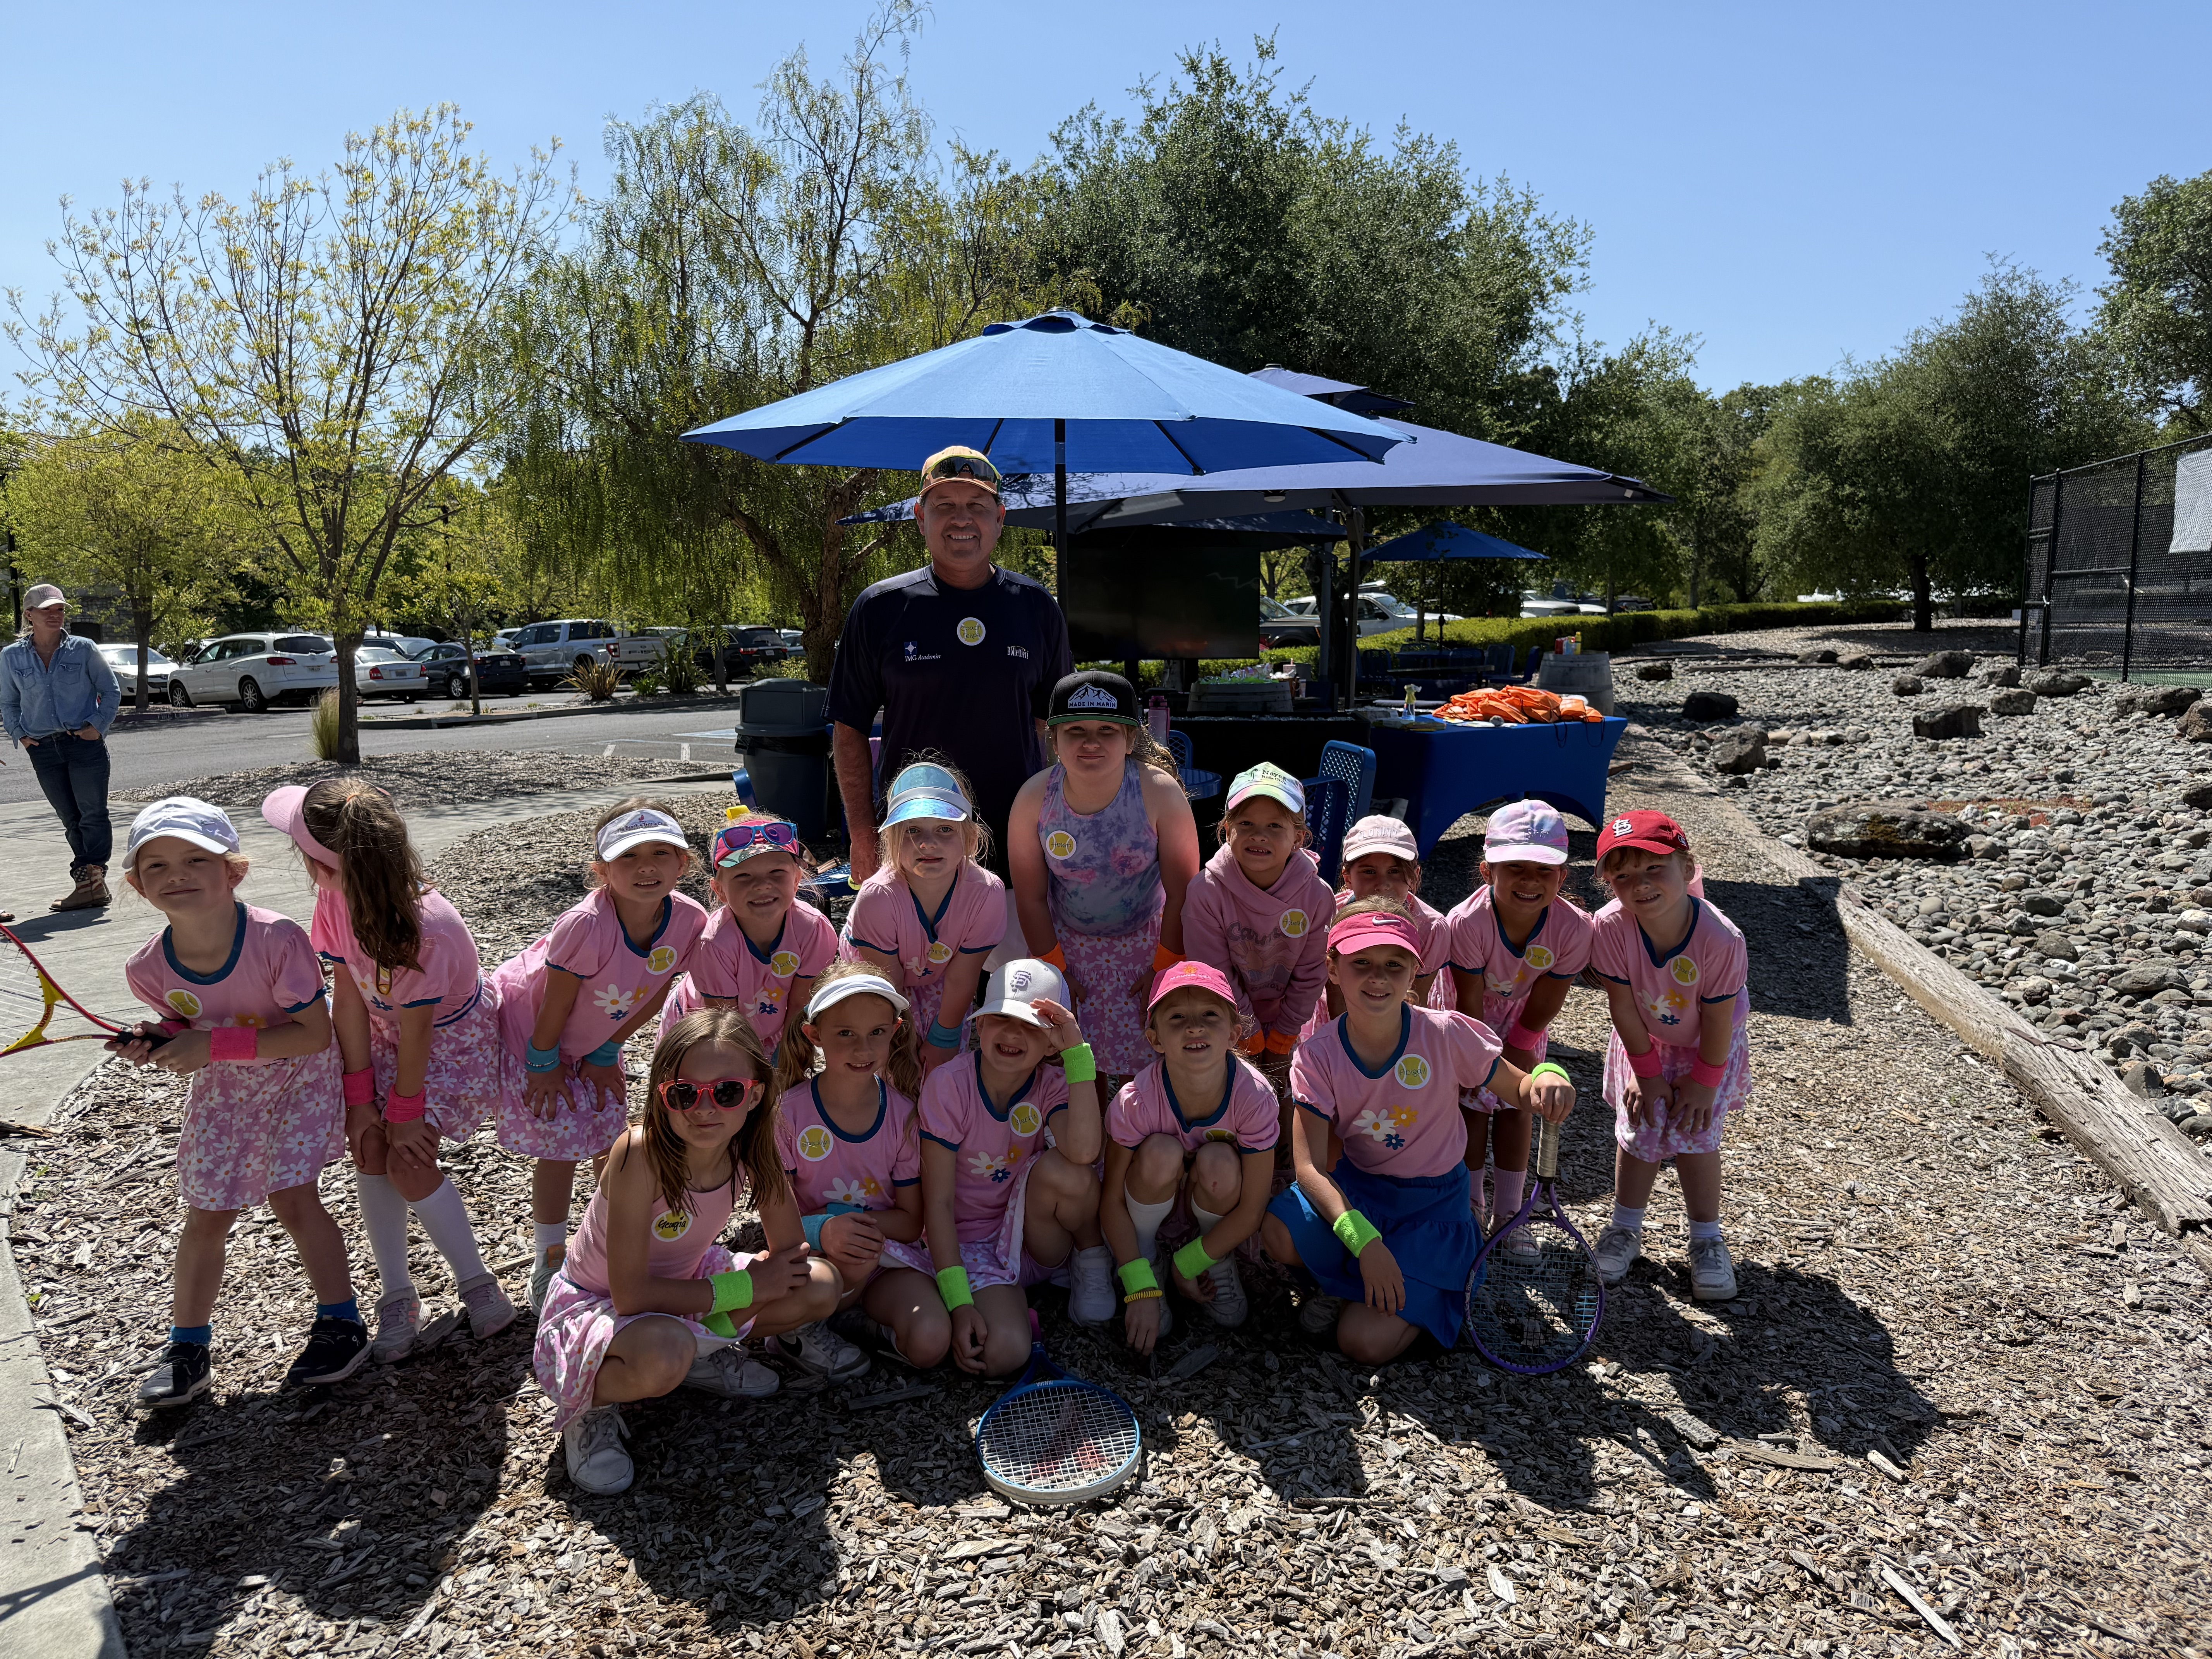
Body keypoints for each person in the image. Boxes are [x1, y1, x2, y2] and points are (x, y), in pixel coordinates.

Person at [109, 799, 366, 1405]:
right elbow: (183, 1027)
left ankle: (342, 1323)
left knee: (292, 1197)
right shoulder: (146, 967)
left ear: (234, 872)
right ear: (137, 887)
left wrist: (209, 1046)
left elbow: (312, 1034)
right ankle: (188, 1347)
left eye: (197, 858)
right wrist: (161, 1041)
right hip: (229, 1087)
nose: (177, 874)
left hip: (298, 1077)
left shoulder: (278, 939)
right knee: (206, 1212)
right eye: (157, 866)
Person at [535, 1010, 843, 1496]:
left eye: (726, 1093)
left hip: (690, 1287)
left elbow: (791, 1254)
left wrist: (772, 1276)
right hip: (601, 1304)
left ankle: (704, 1352)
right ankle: (587, 1404)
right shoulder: (640, 1154)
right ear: (663, 1095)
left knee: (820, 1285)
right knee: (665, 1352)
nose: (705, 1108)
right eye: (684, 1093)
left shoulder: (753, 1147)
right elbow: (630, 1294)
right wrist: (747, 1287)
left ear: (755, 1094)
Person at [264, 780, 515, 1360]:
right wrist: (359, 1100)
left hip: (449, 1049)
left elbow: (420, 1031)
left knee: (407, 1159)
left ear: (324, 864)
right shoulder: (334, 900)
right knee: (370, 1150)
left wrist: (403, 1111)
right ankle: (398, 1294)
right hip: (383, 1036)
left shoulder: (428, 928)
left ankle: (477, 1281)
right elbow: (348, 996)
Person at [1261, 901, 1575, 1364]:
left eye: (1394, 965)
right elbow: (1308, 1168)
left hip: (1433, 1208)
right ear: (1333, 968)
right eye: (1361, 963)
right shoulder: (1317, 1055)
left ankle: (1426, 1288)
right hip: (1361, 1192)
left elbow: (1522, 1086)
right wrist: (1364, 1240)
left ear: (1416, 972)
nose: (1378, 978)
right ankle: (1367, 1278)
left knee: (1362, 1344)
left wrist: (1548, 1076)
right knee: (1278, 1233)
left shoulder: (1446, 1034)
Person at [491, 802, 710, 1314]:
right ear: (602, 870)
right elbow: (554, 1003)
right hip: (537, 1032)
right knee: (560, 1144)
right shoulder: (585, 925)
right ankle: (549, 1258)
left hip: (595, 1039)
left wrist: (608, 1050)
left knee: (610, 1139)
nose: (646, 867)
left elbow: (657, 991)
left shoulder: (690, 920)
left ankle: (614, 1241)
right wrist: (543, 1065)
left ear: (684, 863)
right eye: (628, 857)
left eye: (661, 853)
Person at [828, 447, 1072, 882]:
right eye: (945, 507)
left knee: (1016, 954)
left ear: (999, 518)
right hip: (911, 841)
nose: (962, 519)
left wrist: (1063, 819)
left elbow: (1054, 732)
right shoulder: (879, 608)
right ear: (922, 518)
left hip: (1016, 839)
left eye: (976, 507)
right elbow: (849, 730)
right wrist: (863, 834)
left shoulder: (1036, 607)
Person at [1585, 810, 1752, 1302]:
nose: (1639, 886)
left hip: (1708, 1046)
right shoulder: (1610, 928)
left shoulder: (1721, 938)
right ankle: (1625, 1229)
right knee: (1639, 1130)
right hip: (1646, 1039)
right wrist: (1647, 1073)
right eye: (1622, 876)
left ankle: (1706, 1238)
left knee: (1697, 1135)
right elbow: (1621, 1004)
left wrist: (1703, 1082)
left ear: (1687, 865)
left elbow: (1719, 1020)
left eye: (1654, 868)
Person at [919, 959, 1115, 1372]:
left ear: (1051, 1045)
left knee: (1071, 1172)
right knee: (1004, 1352)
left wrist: (1078, 1054)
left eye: (1031, 1026)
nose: (1012, 1034)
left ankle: (1088, 1261)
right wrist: (958, 1302)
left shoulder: (1053, 1084)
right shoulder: (948, 1085)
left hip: (1029, 1240)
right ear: (980, 1027)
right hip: (964, 1247)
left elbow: (1084, 1153)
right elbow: (936, 1204)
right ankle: (1006, 1305)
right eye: (1000, 1019)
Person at [1008, 671, 1200, 1086]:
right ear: (1054, 739)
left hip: (1149, 948)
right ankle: (1086, 1146)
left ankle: (1139, 1142)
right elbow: (1030, 899)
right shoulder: (1033, 800)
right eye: (1075, 731)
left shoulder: (1160, 793)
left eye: (1107, 731)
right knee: (1078, 1069)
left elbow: (1185, 893)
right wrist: (1054, 971)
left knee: (1151, 1066)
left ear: (1131, 740)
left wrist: (1165, 967)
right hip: (1065, 948)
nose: (1090, 742)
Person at [1099, 962, 1279, 1355]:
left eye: (1209, 1015)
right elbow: (1110, 1200)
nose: (1194, 1027)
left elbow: (1252, 1209)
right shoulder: (1137, 1101)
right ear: (1155, 1039)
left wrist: (1190, 1263)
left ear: (1234, 1033)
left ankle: (1210, 1254)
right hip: (1147, 1208)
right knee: (1162, 1150)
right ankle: (1147, 1260)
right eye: (1177, 1017)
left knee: (1221, 1161)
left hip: (1213, 1209)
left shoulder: (1255, 1098)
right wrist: (1138, 1284)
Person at [771, 964, 943, 1372]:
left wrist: (852, 1226)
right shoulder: (786, 1115)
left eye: (877, 1033)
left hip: (886, 1262)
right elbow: (775, 1225)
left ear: (896, 1031)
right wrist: (827, 1230)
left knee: (931, 1343)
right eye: (845, 1033)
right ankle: (800, 1329)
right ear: (815, 1035)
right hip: (811, 1259)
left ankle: (856, 1325)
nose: (863, 1049)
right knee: (853, 1256)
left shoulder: (904, 1118)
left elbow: (909, 1222)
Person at [1444, 801, 1593, 1237]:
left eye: (1545, 871)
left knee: (1517, 1108)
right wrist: (1481, 1059)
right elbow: (1466, 997)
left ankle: (1511, 1213)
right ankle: (1470, 1205)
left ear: (1562, 877)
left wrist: (1521, 1045)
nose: (1530, 881)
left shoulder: (1575, 928)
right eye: (1516, 868)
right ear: (1488, 871)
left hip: (1524, 1020)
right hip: (1466, 1018)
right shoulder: (1467, 923)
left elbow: (1550, 994)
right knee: (1470, 1108)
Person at [1180, 761, 1334, 1130]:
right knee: (1228, 1094)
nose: (1259, 836)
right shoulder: (1205, 892)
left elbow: (1312, 973)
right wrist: (1247, 1033)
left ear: (1298, 838)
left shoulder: (1317, 895)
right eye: (1246, 824)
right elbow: (1214, 975)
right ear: (1226, 829)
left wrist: (1283, 1034)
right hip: (1222, 1013)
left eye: (1275, 826)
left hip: (1289, 1016)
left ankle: (1281, 1156)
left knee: (1285, 1091)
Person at [841, 761, 1005, 1074]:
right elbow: (890, 985)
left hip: (943, 977)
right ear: (890, 841)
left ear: (970, 840)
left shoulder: (987, 893)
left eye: (945, 829)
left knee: (941, 1066)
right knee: (885, 1066)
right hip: (878, 983)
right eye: (912, 830)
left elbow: (962, 977)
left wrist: (944, 1037)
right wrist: (904, 1047)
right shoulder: (878, 897)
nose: (928, 843)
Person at [659, 812, 837, 1058]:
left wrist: (789, 1056)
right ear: (720, 890)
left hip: (773, 1023)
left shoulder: (814, 929)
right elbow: (725, 1025)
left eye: (777, 873)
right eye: (743, 876)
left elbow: (799, 1006)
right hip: (706, 1026)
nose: (763, 885)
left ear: (797, 881)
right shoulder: (714, 944)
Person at [1, 583, 120, 912]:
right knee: (70, 818)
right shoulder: (11, 657)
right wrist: (21, 736)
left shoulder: (83, 648)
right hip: (42, 749)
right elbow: (9, 703)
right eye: (47, 610)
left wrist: (96, 728)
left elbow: (111, 691)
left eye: (60, 609)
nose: (56, 615)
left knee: (92, 814)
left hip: (83, 744)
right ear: (29, 615)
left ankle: (89, 881)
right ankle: (91, 886)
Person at [1331, 816, 1452, 1012]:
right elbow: (1335, 998)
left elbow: (1417, 1001)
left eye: (1395, 872)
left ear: (1415, 876)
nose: (1383, 884)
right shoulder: (1331, 916)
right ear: (1348, 878)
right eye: (1369, 872)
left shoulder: (1431, 928)